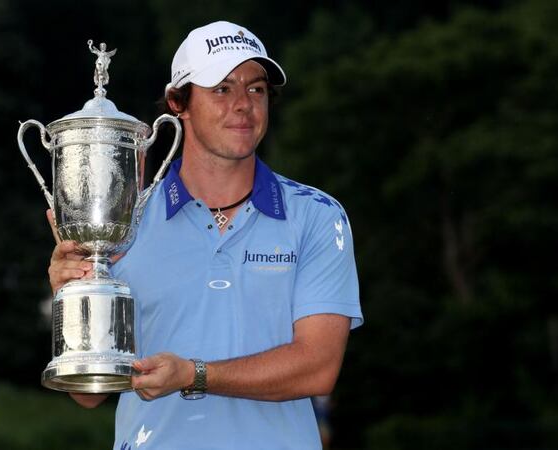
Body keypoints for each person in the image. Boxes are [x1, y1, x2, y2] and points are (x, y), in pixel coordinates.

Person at [48, 20, 362, 449]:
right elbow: (89, 394)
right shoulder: (123, 219)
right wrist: (73, 302)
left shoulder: (317, 216)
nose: (243, 105)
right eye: (221, 89)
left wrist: (194, 374)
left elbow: (317, 367)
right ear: (180, 103)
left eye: (256, 89)